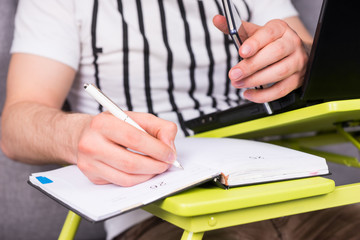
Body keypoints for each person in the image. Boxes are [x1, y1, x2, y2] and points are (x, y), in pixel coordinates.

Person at [3, 0, 358, 239]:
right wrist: (76, 133)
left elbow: (316, 59)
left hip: (297, 192)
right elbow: (16, 126)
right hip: (159, 215)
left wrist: (301, 59)